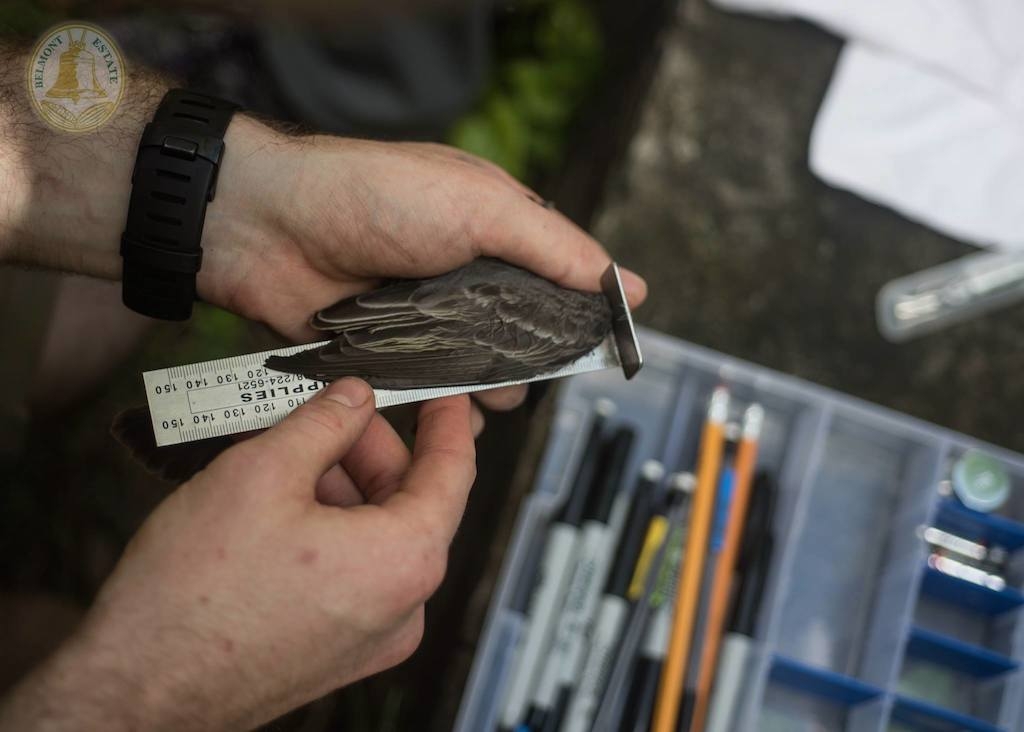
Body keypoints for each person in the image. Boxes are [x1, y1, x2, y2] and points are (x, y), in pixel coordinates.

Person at [0, 39, 647, 730]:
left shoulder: (550, 308)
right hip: (373, 344)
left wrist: (249, 201)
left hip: (370, 330)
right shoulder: (560, 317)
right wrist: (168, 690)